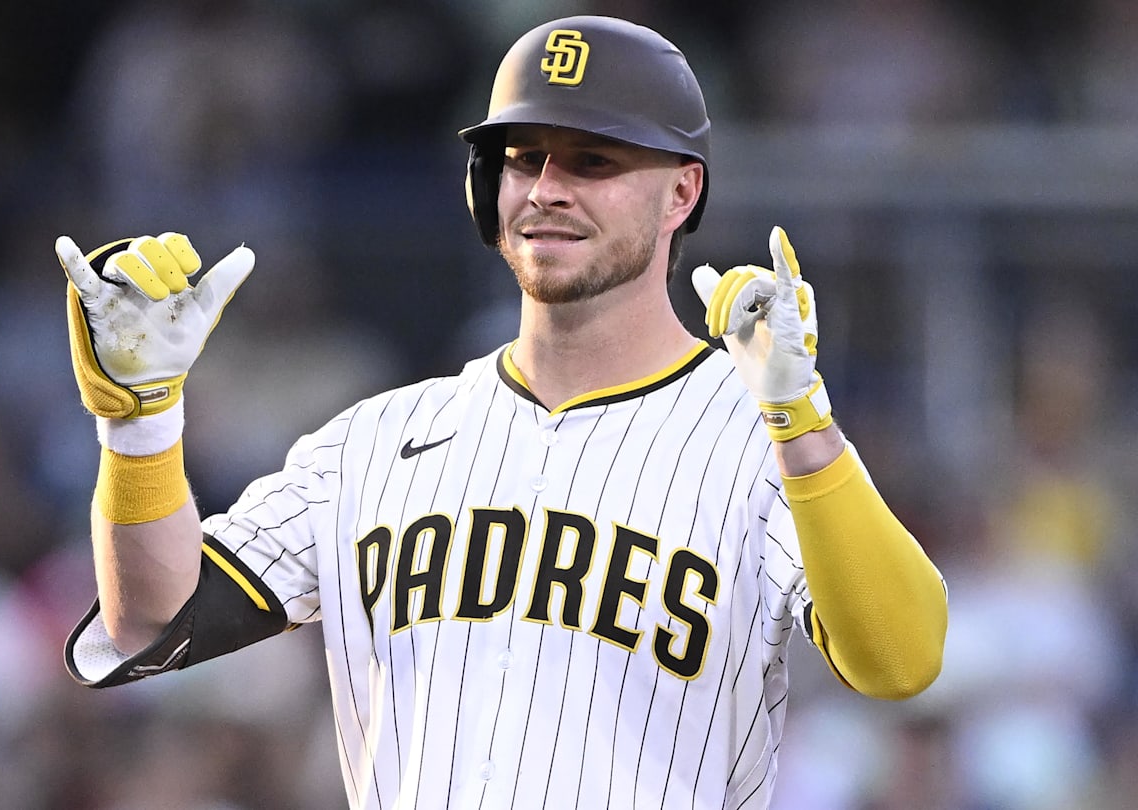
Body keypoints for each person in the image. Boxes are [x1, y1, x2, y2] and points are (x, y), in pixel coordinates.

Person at [56, 15, 948, 809]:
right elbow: (151, 621)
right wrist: (140, 426)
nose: (548, 187)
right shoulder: (373, 441)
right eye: (524, 157)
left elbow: (900, 660)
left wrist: (800, 420)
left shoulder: (760, 438)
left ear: (682, 192)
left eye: (594, 160)